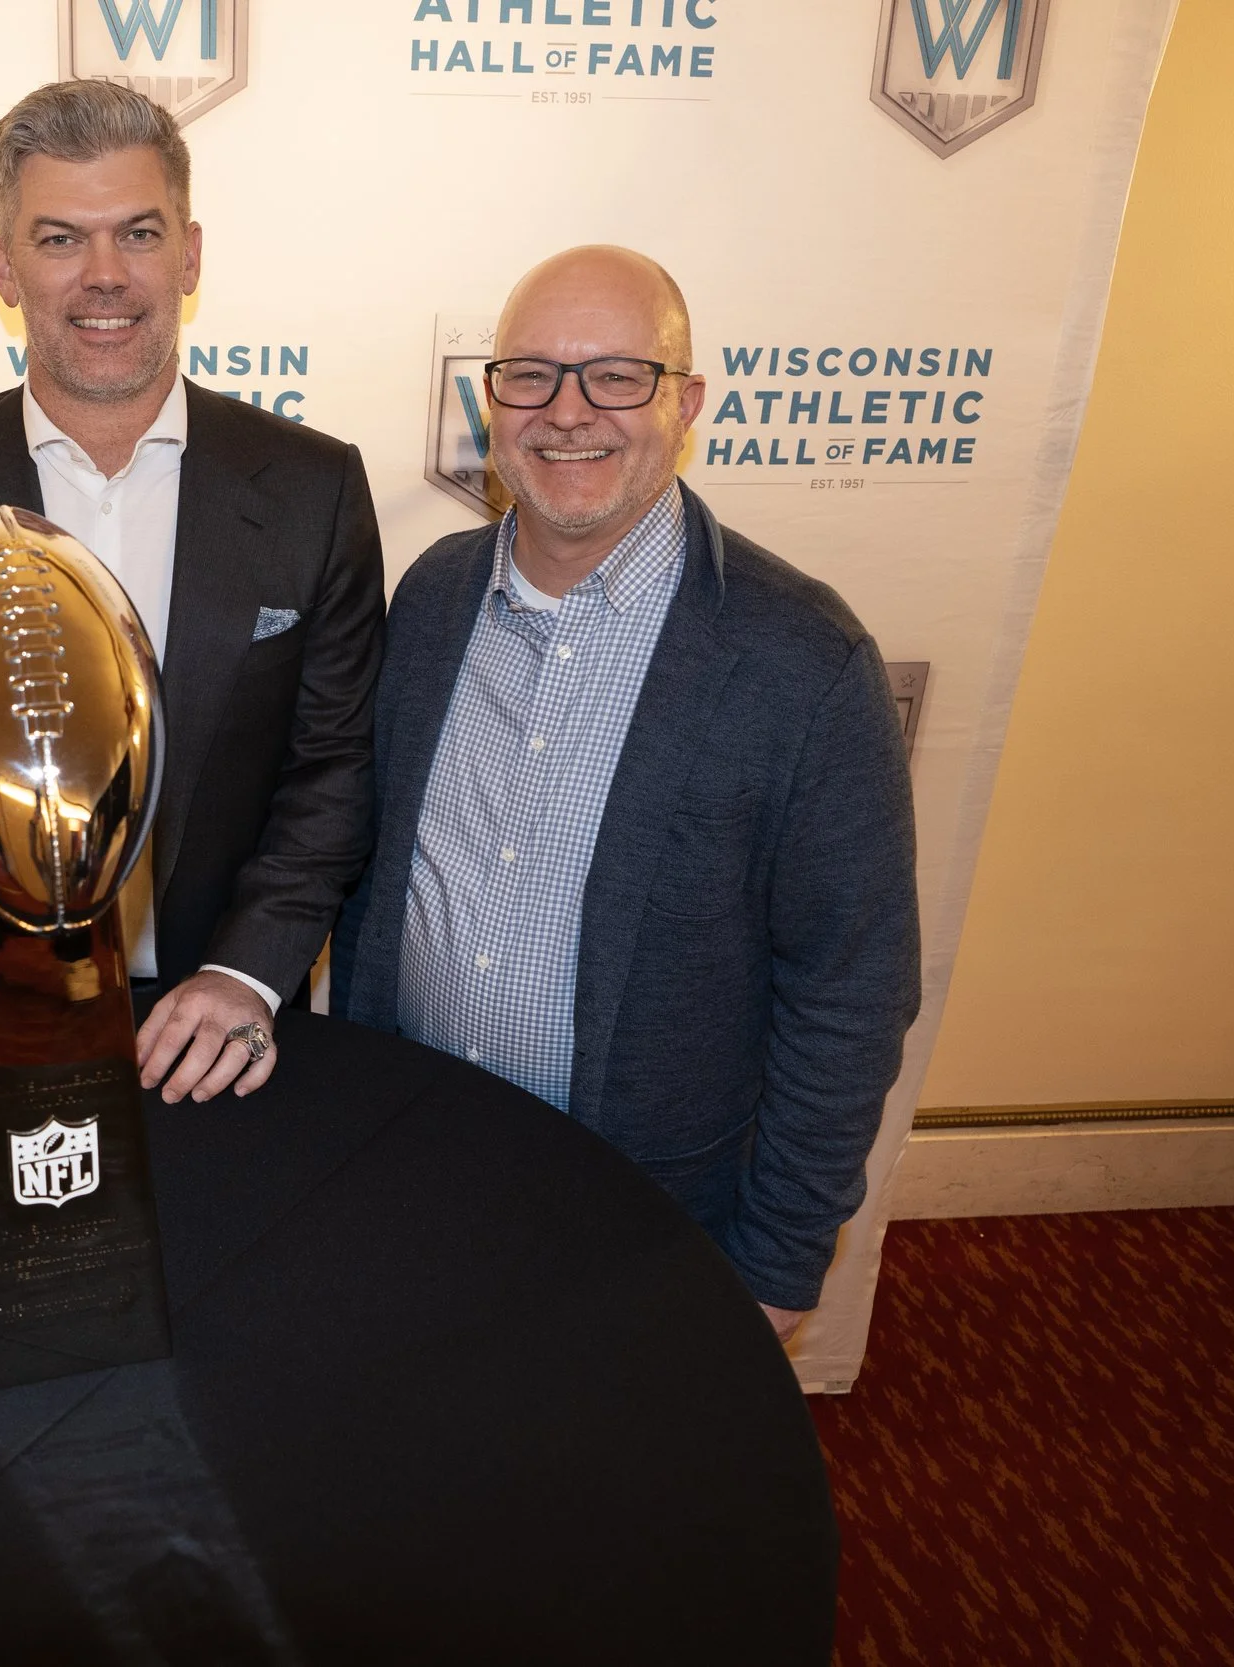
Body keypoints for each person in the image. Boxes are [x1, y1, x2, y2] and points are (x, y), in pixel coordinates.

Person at [332, 247, 922, 1341]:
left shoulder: (802, 661)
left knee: (605, 1492)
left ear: (685, 402)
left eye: (616, 374)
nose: (568, 413)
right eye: (532, 375)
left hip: (644, 1213)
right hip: (407, 1160)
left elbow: (850, 986)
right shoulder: (431, 596)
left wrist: (782, 1257)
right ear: (490, 399)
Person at [0, 80, 384, 1128]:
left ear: (191, 253)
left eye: (138, 231)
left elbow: (332, 771)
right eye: (58, 239)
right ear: (3, 266)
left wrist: (248, 975)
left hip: (227, 1032)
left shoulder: (314, 487)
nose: (104, 276)